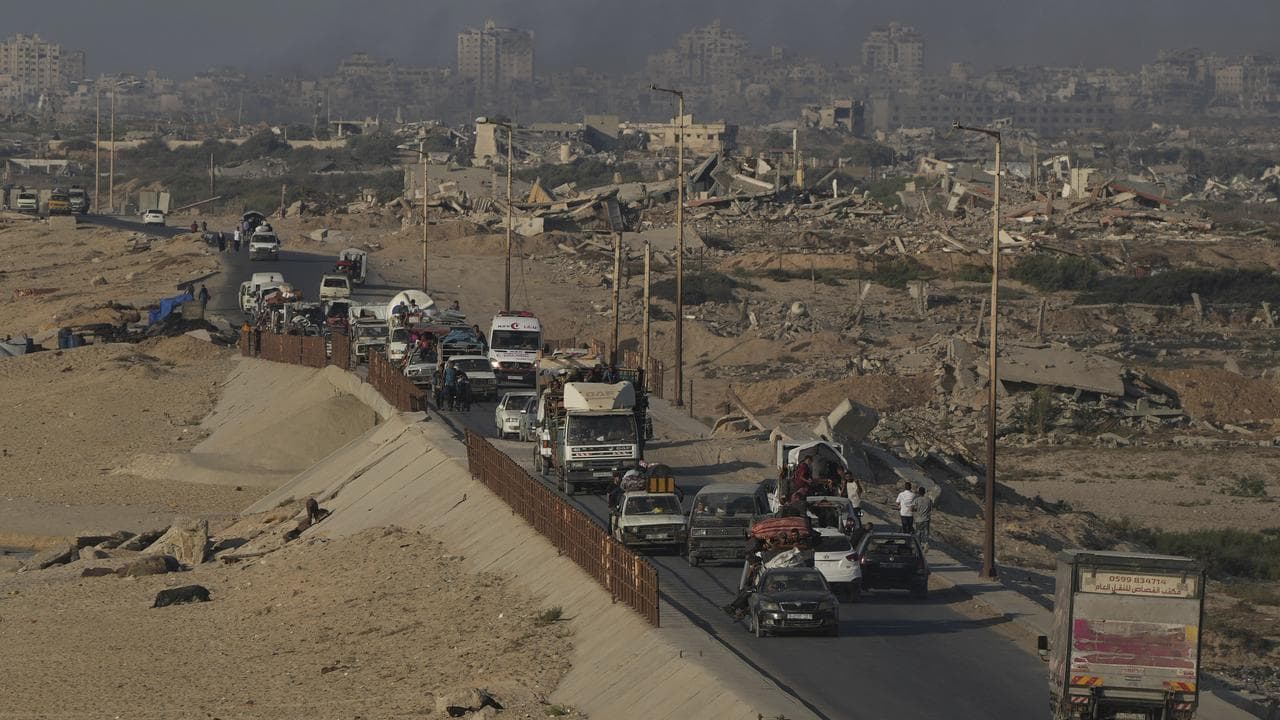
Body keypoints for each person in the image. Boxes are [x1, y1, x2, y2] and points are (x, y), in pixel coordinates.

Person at [913, 485, 933, 550]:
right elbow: (930, 509)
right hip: (926, 519)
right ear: (924, 492)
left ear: (919, 493)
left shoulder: (916, 500)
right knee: (926, 532)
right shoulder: (929, 500)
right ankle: (926, 543)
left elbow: (913, 508)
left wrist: (916, 510)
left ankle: (919, 545)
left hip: (919, 519)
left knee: (918, 532)